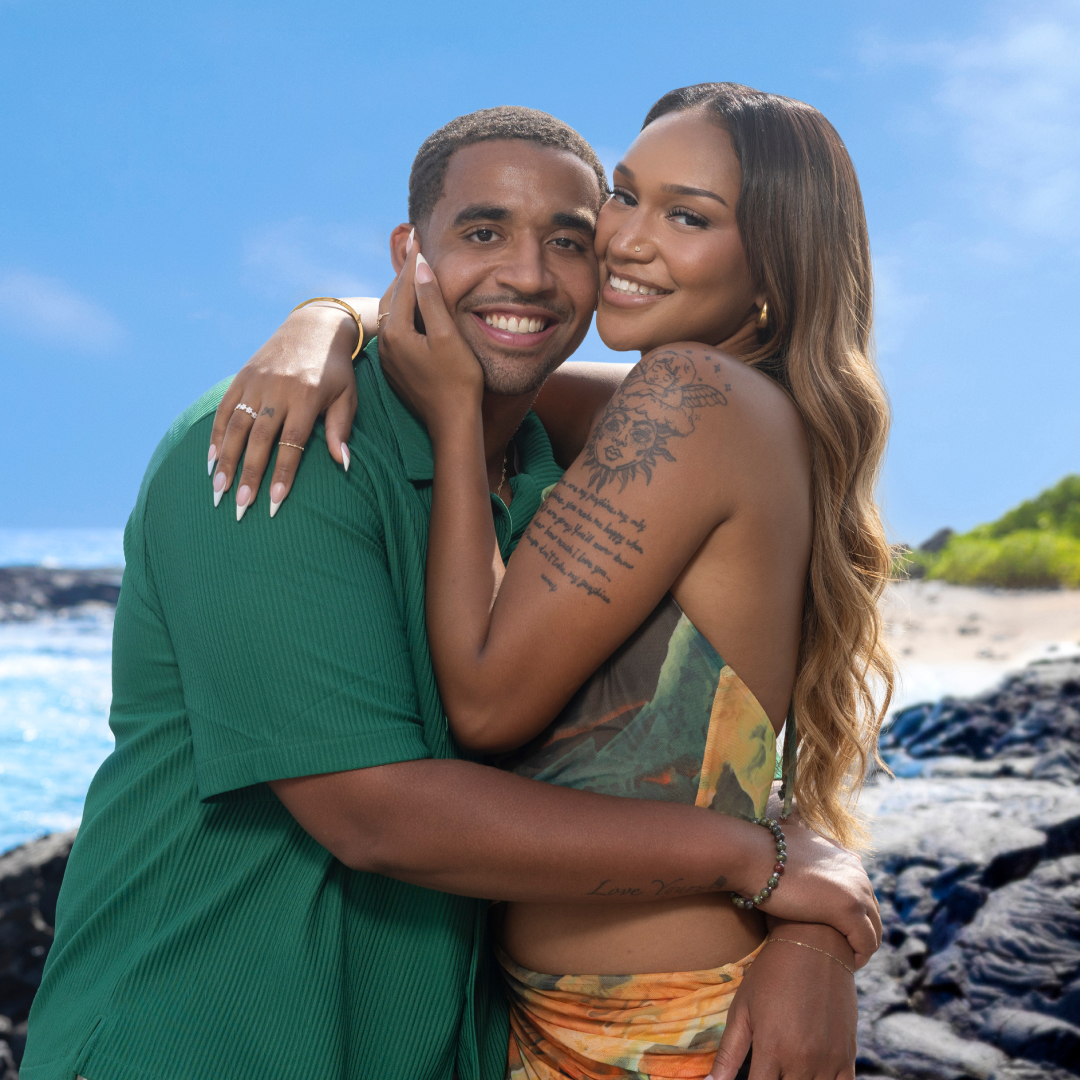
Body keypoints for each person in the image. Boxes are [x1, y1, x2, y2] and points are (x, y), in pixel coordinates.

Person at [20, 104, 881, 1080]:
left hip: (585, 1033)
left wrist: (810, 924)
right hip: (199, 1039)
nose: (538, 267)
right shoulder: (270, 446)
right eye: (627, 205)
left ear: (773, 256)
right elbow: (372, 811)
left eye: (573, 234)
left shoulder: (653, 417)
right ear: (408, 252)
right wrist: (326, 318)